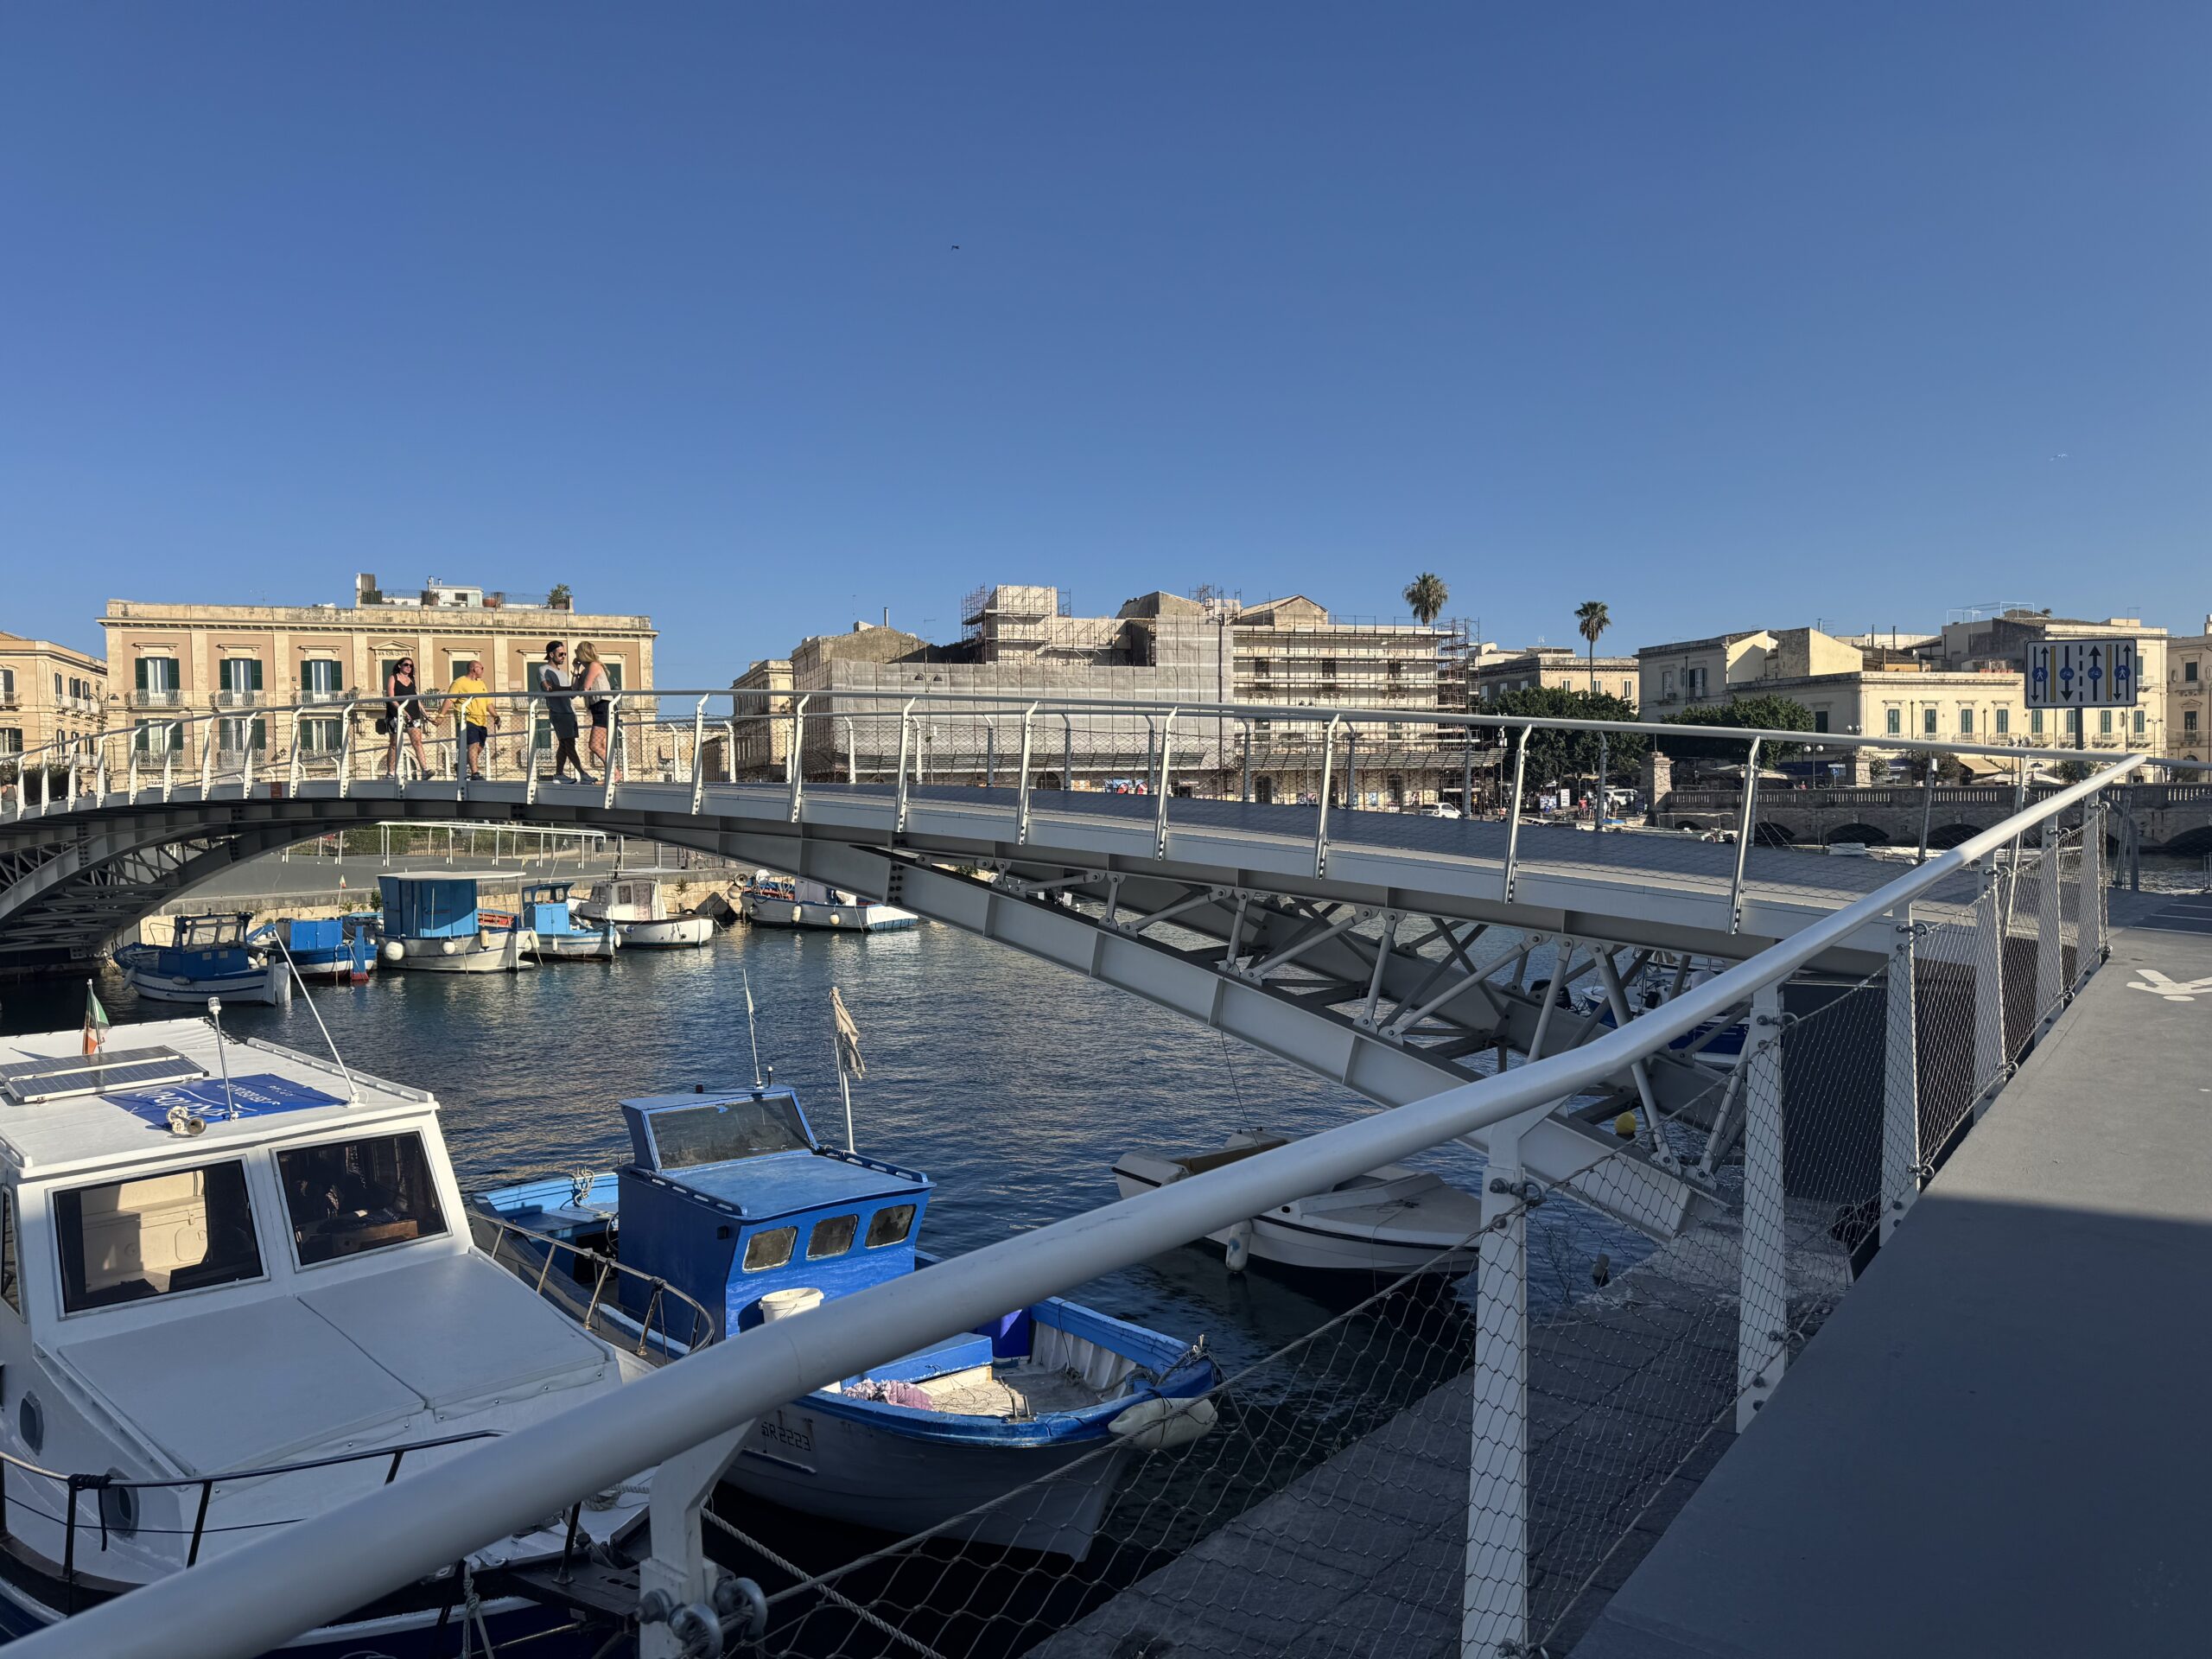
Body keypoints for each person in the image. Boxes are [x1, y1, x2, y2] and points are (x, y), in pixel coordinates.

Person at [540, 640, 591, 784]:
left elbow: (573, 695)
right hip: (558, 713)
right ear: (551, 654)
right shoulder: (543, 670)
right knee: (569, 744)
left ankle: (559, 773)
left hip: (570, 712)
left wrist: (576, 671)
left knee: (564, 744)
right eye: (561, 654)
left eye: (565, 654)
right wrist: (570, 689)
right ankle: (583, 773)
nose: (563, 656)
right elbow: (549, 688)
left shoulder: (562, 673)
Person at [445, 658, 496, 782]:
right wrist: (441, 716)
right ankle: (475, 773)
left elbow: (488, 702)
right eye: (481, 668)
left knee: (480, 747)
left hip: (481, 721)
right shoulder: (459, 682)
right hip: (466, 718)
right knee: (473, 745)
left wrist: (496, 716)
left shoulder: (481, 684)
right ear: (474, 668)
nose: (483, 671)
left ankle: (460, 765)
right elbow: (449, 700)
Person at [575, 641, 619, 782]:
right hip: (598, 708)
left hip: (604, 707)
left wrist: (581, 686)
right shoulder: (585, 670)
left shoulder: (594, 666)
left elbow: (585, 688)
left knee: (594, 745)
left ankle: (615, 774)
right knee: (603, 745)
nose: (575, 654)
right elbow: (574, 689)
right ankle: (613, 775)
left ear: (582, 653)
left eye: (577, 651)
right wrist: (576, 670)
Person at [382, 658, 429, 779]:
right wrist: (401, 710)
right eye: (406, 665)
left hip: (413, 715)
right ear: (399, 666)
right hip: (396, 714)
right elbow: (390, 696)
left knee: (417, 742)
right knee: (394, 744)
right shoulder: (393, 678)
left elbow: (416, 699)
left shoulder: (412, 680)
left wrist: (426, 714)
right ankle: (391, 772)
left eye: (411, 666)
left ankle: (425, 770)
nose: (409, 667)